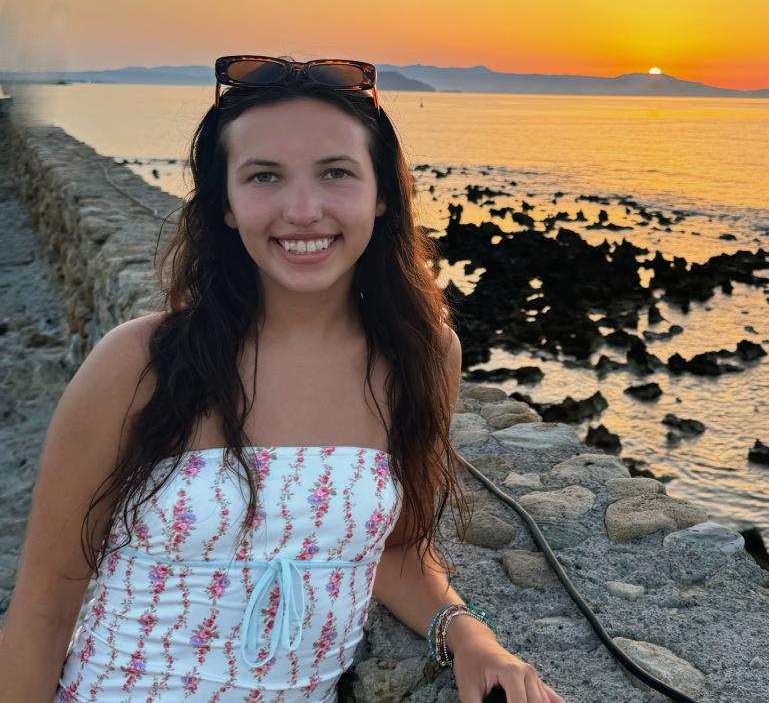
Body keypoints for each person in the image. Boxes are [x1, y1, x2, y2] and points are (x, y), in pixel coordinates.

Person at [0, 55, 565, 703]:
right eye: (264, 175)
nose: (302, 209)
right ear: (227, 205)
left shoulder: (422, 355)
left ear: (383, 194)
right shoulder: (138, 364)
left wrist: (469, 635)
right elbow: (42, 616)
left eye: (335, 173)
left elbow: (397, 550)